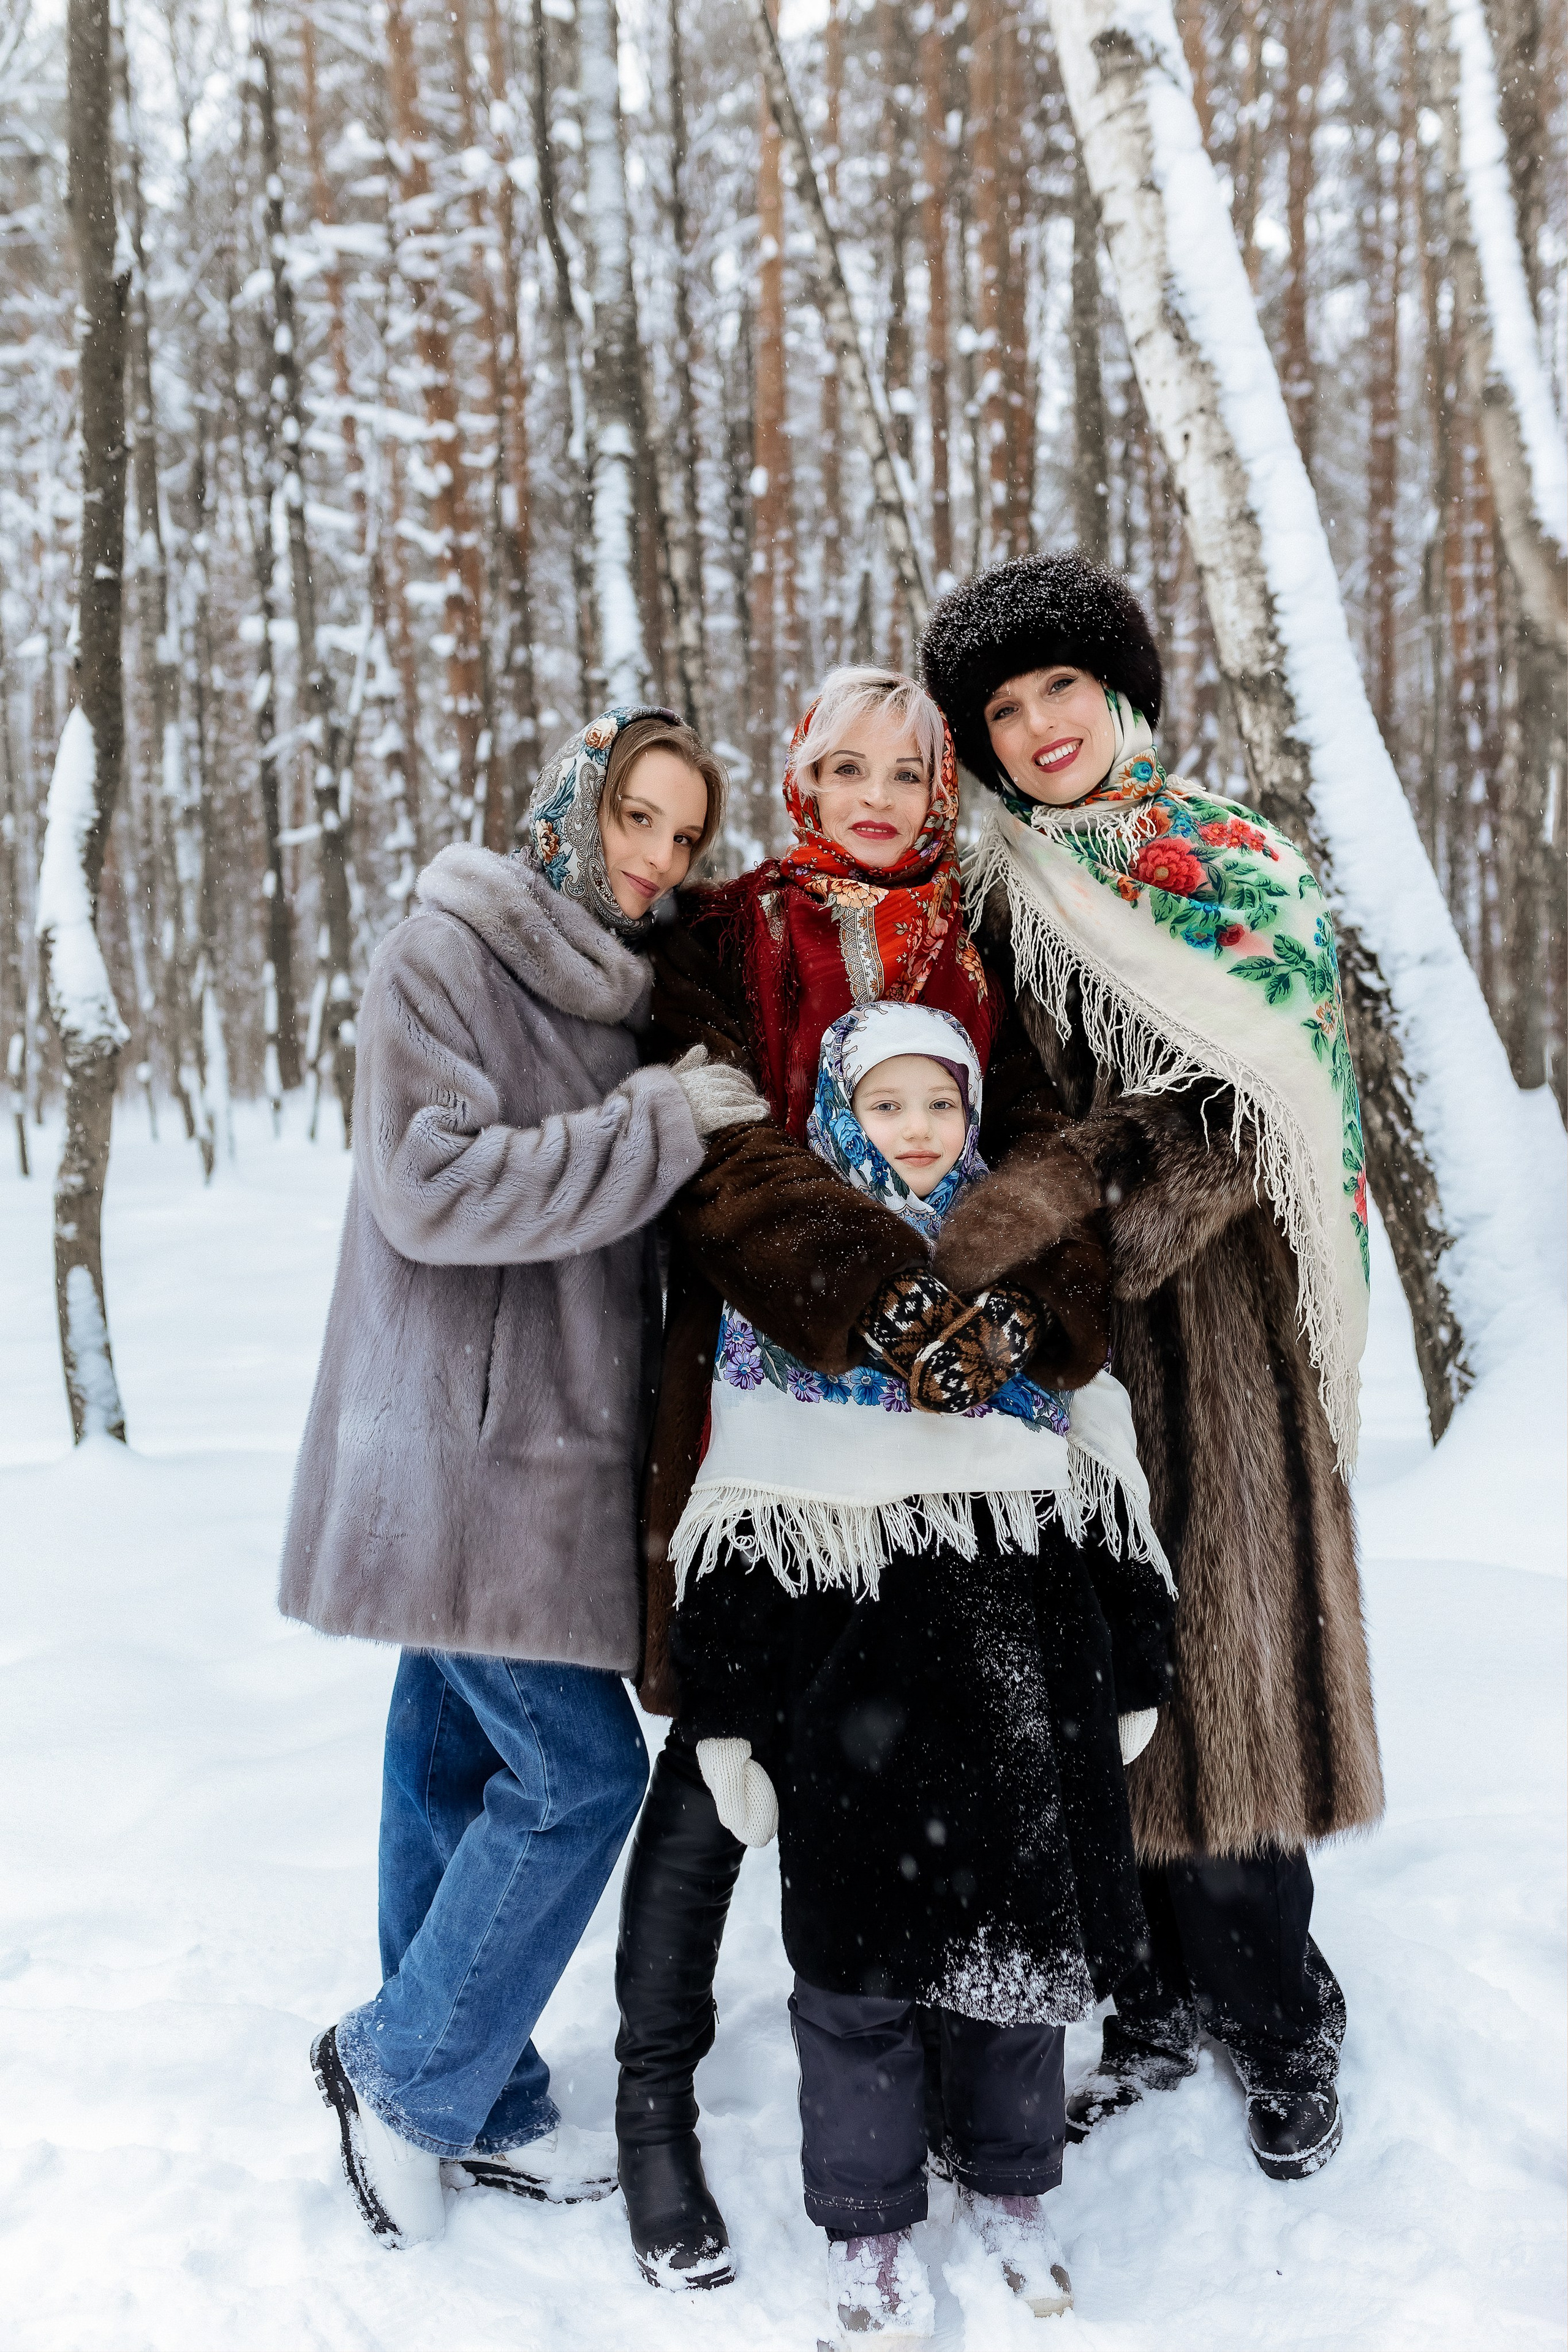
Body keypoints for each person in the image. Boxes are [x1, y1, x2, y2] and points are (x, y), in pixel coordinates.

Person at [614, 669, 1115, 2288]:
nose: (883, 795)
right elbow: (715, 1137)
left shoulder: (993, 937)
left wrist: (1010, 1308)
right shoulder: (732, 932)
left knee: (969, 1744)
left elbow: (1047, 1142)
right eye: (850, 768)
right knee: (725, 1745)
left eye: (911, 772)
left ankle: (996, 2109)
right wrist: (874, 1298)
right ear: (802, 780)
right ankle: (655, 2117)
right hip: (776, 1378)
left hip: (974, 1422)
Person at [919, 552, 1385, 2181]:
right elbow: (998, 1100)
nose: (1041, 727)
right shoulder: (1006, 895)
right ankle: (1163, 2004)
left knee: (1242, 1705)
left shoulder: (1240, 866)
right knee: (1125, 1695)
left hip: (1229, 1338)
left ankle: (1284, 2021)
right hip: (1084, 1351)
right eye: (1005, 708)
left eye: (1062, 689)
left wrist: (1059, 1226)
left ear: (1120, 696)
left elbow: (1244, 1110)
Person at [278, 706, 767, 2247]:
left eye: (684, 837)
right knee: (576, 1781)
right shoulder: (450, 951)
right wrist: (653, 1128)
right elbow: (426, 1190)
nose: (654, 858)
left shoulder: (626, 994)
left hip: (541, 1459)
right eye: (636, 816)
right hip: (455, 1450)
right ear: (573, 802)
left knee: (447, 1762)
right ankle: (399, 2068)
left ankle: (473, 2091)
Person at [668, 998, 1176, 2343]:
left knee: (1015, 1980)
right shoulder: (797, 1316)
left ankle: (1011, 2192)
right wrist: (727, 1722)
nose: (914, 1129)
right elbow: (739, 1524)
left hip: (1019, 1700)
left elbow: (1096, 1496)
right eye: (885, 1104)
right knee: (855, 1994)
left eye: (939, 1105)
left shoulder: (1020, 1288)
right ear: (839, 1113)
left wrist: (1132, 1671)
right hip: (853, 1722)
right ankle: (865, 2226)